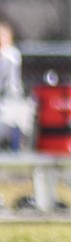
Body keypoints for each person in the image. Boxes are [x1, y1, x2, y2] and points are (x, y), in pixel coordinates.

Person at [0, 19, 27, 151]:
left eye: (3, 35)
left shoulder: (12, 55)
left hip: (10, 97)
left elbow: (11, 82)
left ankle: (15, 148)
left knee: (17, 118)